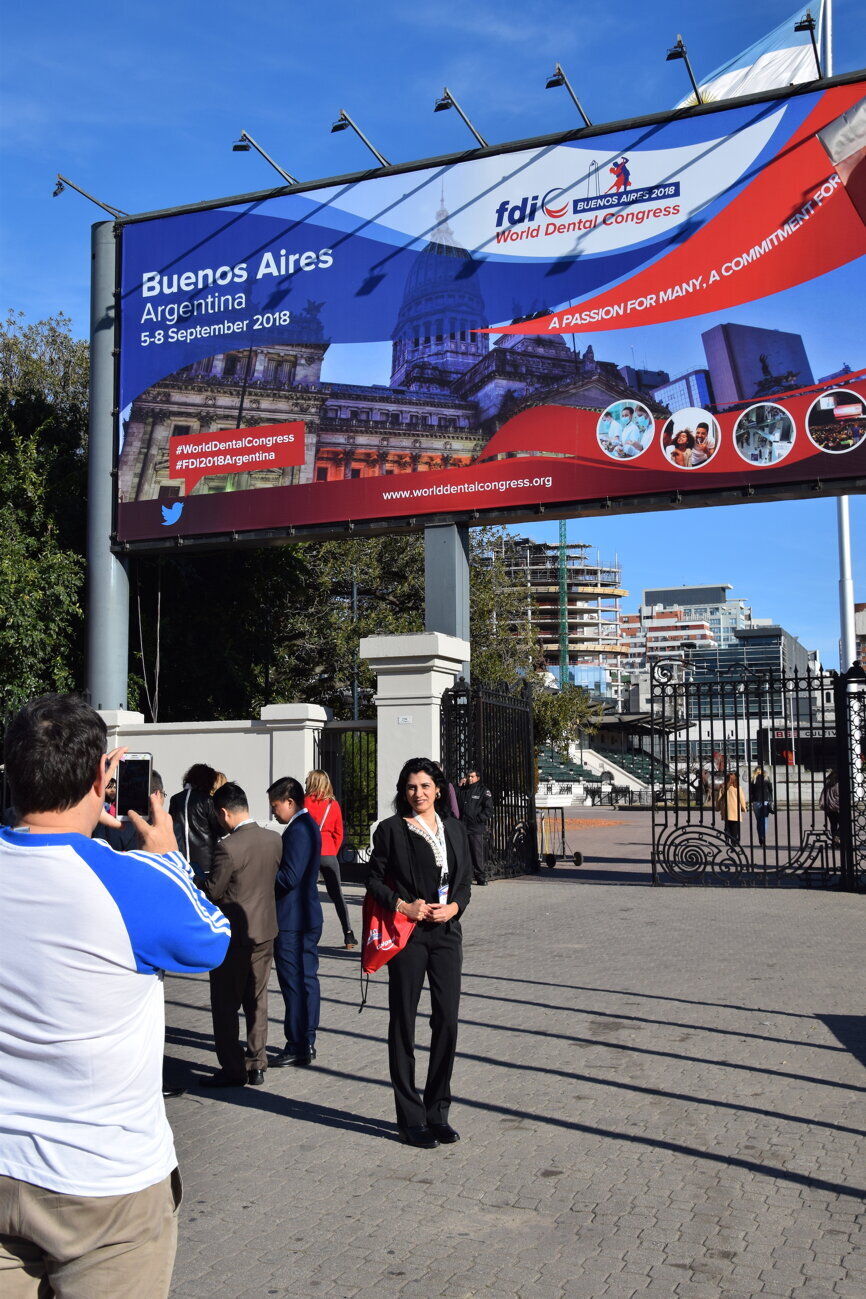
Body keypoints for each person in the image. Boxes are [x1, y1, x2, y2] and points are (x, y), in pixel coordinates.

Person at [0, 693, 230, 1298]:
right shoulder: (130, 882)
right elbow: (212, 941)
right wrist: (169, 856)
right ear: (104, 778)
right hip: (103, 1183)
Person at [366, 757, 472, 1149]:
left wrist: (455, 908)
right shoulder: (391, 831)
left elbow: (464, 884)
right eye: (411, 787)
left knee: (447, 1020)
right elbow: (373, 879)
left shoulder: (455, 830)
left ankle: (437, 1111)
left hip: (446, 934)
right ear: (403, 791)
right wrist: (403, 905)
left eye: (425, 786)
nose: (418, 793)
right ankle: (410, 1118)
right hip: (408, 936)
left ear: (438, 789)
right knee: (403, 1023)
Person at [196, 782, 282, 1088]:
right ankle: (257, 1063)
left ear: (223, 812)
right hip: (266, 931)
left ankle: (232, 1069)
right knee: (257, 1000)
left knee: (225, 1003)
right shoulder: (273, 839)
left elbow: (213, 892)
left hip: (233, 936)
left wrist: (196, 879)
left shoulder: (227, 847)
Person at [267, 776, 323, 1067]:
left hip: (294, 919)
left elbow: (289, 877)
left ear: (290, 802)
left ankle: (299, 1042)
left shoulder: (300, 829)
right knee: (305, 980)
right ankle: (305, 1040)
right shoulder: (305, 826)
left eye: (275, 806)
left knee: (295, 983)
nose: (273, 812)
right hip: (303, 915)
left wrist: (263, 872)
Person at [304, 769, 357, 949]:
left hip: (309, 855)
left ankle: (310, 933)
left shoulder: (304, 803)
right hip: (328, 853)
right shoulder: (332, 805)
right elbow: (338, 833)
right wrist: (331, 851)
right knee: (337, 895)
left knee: (309, 895)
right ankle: (348, 934)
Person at [168, 763, 223, 874]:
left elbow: (171, 827)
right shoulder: (207, 800)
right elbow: (220, 829)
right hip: (205, 862)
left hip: (181, 860)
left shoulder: (175, 799)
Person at [457, 768, 494, 885]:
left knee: (477, 853)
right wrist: (458, 786)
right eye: (468, 776)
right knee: (463, 853)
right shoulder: (462, 790)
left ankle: (480, 877)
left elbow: (489, 810)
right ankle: (465, 877)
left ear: (477, 778)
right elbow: (453, 800)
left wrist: (477, 819)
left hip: (475, 828)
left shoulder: (483, 791)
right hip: (462, 827)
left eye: (472, 776)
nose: (469, 778)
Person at [716, 771, 748, 844]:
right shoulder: (737, 787)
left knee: (727, 824)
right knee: (734, 827)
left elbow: (718, 798)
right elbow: (741, 798)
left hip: (726, 809)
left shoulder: (722, 787)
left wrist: (718, 807)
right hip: (735, 810)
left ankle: (727, 835)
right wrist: (744, 808)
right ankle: (733, 841)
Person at [749, 767, 774, 847]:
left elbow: (751, 792)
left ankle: (760, 838)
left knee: (759, 821)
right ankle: (763, 838)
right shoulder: (766, 778)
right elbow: (771, 789)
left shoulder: (753, 779)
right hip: (765, 801)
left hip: (756, 802)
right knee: (764, 821)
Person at [819, 770, 840, 841]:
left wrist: (823, 804)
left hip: (829, 807)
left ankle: (835, 839)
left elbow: (823, 796)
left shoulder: (827, 785)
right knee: (844, 824)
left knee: (833, 824)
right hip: (837, 807)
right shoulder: (838, 785)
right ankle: (836, 836)